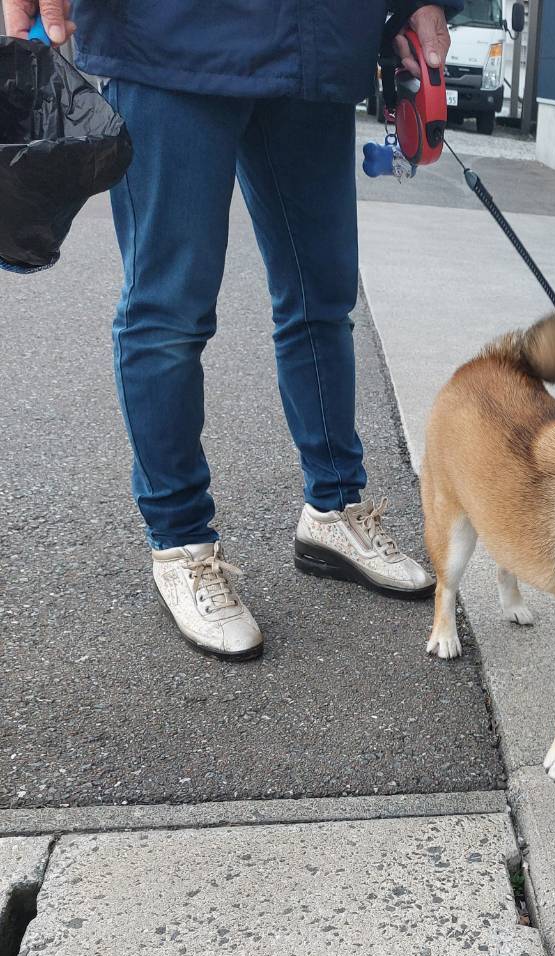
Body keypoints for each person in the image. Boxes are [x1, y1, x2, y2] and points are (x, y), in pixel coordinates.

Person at [3, 0, 455, 660]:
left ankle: (332, 512)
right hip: (173, 33)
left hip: (317, 40)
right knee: (170, 313)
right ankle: (182, 544)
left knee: (322, 299)